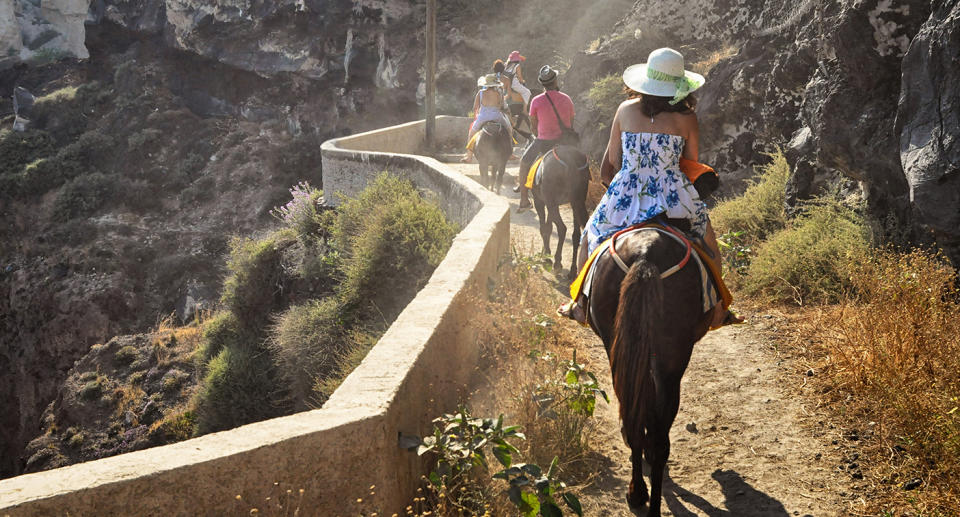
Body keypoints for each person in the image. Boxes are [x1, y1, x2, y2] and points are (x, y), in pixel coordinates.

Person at [561, 47, 742, 328]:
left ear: (647, 81)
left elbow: (612, 159)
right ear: (678, 85)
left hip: (627, 191)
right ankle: (719, 311)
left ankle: (579, 305)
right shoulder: (687, 118)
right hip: (673, 193)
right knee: (708, 242)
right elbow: (690, 161)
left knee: (588, 236)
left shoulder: (625, 110)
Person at [515, 65, 575, 211]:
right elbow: (570, 124)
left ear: (542, 84)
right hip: (564, 142)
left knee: (524, 162)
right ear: (555, 81)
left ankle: (524, 200)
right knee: (581, 162)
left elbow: (533, 126)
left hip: (543, 142)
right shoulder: (567, 99)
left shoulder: (536, 101)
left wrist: (539, 134)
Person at [462, 73, 513, 163]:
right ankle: (510, 153)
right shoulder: (499, 93)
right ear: (495, 84)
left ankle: (469, 156)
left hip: (483, 117)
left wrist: (476, 116)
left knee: (471, 133)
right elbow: (501, 106)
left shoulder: (480, 93)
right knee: (509, 130)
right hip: (497, 116)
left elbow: (475, 108)